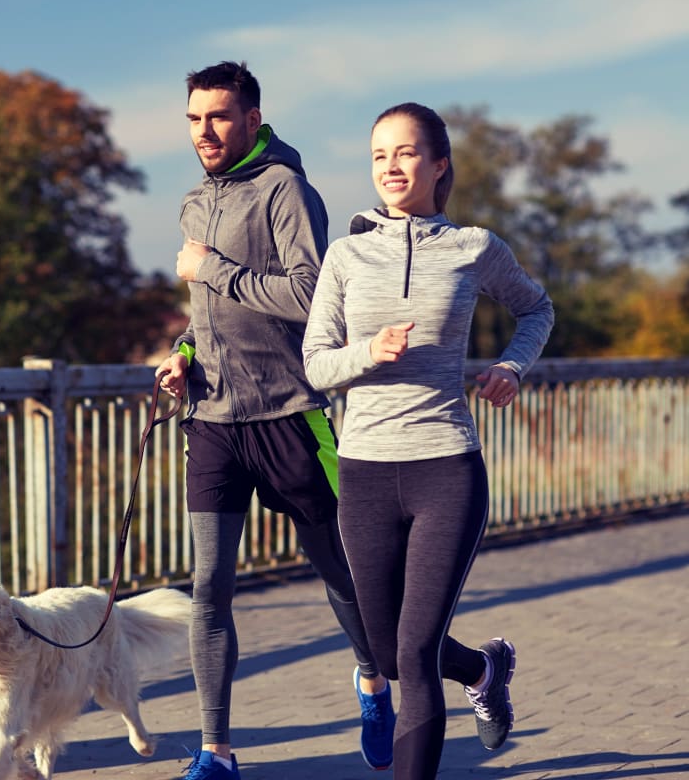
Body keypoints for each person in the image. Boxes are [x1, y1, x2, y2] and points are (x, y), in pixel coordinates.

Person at [154, 61, 395, 779]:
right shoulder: (195, 202)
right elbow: (209, 317)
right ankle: (217, 751)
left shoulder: (285, 189)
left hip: (291, 416)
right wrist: (182, 353)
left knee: (342, 574)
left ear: (253, 120)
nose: (206, 130)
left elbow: (311, 295)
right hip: (214, 422)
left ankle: (373, 682)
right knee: (209, 589)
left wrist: (212, 269)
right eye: (195, 117)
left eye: (220, 116)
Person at [302, 102, 554, 779]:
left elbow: (536, 308)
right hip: (364, 472)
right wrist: (367, 354)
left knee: (413, 654)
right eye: (380, 154)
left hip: (445, 465)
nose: (390, 166)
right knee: (385, 654)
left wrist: (510, 365)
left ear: (438, 164)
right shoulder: (346, 255)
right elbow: (316, 363)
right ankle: (483, 667)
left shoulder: (473, 247)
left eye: (406, 152)